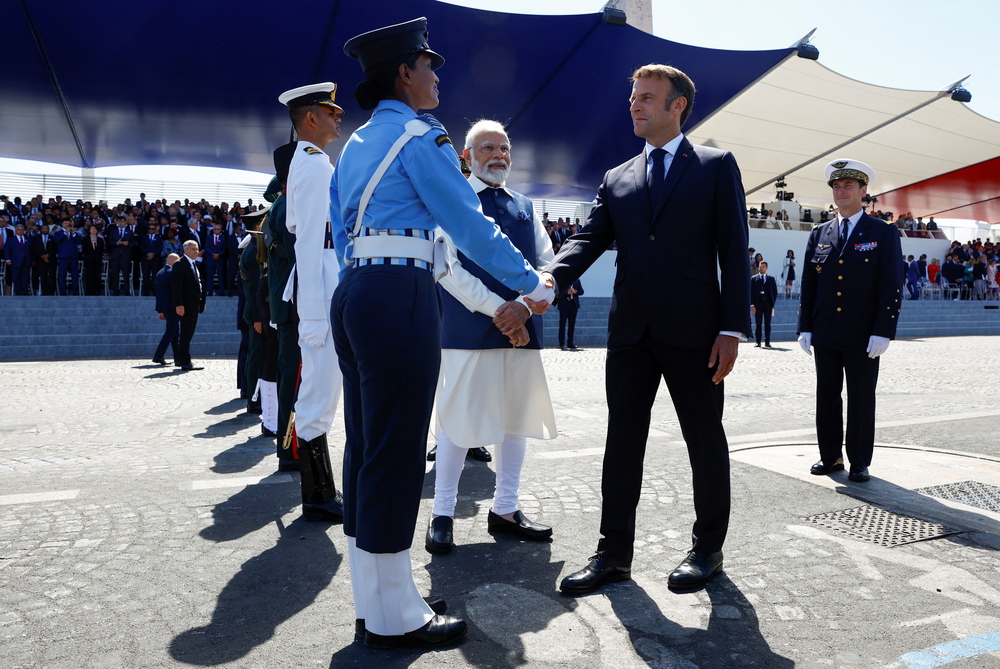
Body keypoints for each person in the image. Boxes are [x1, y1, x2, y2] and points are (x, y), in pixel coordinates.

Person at [333, 17, 552, 650]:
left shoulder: (361, 139)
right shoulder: (419, 136)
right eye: (429, 65)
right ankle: (397, 615)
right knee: (399, 452)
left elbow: (342, 225)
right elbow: (469, 223)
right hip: (401, 294)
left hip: (359, 289)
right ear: (404, 72)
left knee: (368, 446)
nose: (436, 75)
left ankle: (378, 594)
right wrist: (530, 282)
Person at [542, 64, 750, 596]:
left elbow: (734, 251)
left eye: (647, 98)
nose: (634, 106)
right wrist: (547, 279)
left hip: (697, 333)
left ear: (678, 105)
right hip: (631, 332)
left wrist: (732, 328)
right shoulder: (617, 177)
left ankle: (708, 548)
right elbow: (586, 240)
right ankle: (613, 554)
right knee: (622, 442)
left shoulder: (715, 165)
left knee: (704, 441)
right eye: (633, 97)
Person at [425, 119, 557, 556]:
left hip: (520, 328)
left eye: (503, 147)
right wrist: (498, 311)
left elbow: (546, 263)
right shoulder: (453, 200)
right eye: (486, 148)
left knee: (515, 420)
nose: (498, 155)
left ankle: (505, 508)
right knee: (458, 423)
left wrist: (523, 308)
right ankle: (442, 514)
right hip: (469, 329)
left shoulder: (525, 205)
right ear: (467, 156)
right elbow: (446, 268)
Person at [797, 159, 903, 483]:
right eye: (837, 186)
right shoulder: (820, 233)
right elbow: (809, 284)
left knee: (860, 397)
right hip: (826, 329)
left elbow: (891, 284)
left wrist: (883, 331)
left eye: (848, 186)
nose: (841, 191)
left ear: (863, 191)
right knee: (826, 396)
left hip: (863, 333)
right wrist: (805, 326)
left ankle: (859, 460)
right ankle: (830, 457)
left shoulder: (882, 232)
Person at [276, 82, 348, 522]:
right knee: (319, 391)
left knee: (321, 389)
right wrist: (319, 315)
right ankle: (318, 494)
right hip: (322, 286)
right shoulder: (315, 164)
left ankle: (319, 490)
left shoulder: (305, 163)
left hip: (319, 282)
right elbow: (314, 242)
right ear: (310, 119)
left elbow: (298, 225)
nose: (338, 118)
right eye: (330, 111)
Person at [171, 240, 207, 371]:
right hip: (185, 305)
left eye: (197, 249)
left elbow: (199, 285)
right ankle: (185, 361)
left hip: (194, 305)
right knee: (186, 333)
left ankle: (181, 359)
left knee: (188, 332)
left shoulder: (194, 264)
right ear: (185, 250)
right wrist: (179, 304)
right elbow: (177, 287)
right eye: (193, 249)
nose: (196, 251)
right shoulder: (180, 264)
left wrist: (202, 303)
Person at [153, 253, 181, 365]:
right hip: (172, 306)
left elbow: (159, 293)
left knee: (174, 333)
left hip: (165, 306)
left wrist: (160, 310)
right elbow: (176, 290)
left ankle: (177, 358)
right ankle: (158, 355)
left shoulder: (160, 272)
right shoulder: (172, 272)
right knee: (171, 332)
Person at [751, 260, 777, 348]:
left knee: (767, 323)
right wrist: (752, 305)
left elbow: (774, 292)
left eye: (763, 267)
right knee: (758, 324)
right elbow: (751, 292)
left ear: (766, 268)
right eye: (760, 267)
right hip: (758, 304)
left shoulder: (771, 279)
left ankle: (767, 341)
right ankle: (758, 342)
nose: (761, 268)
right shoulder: (754, 279)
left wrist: (772, 303)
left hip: (768, 304)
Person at [52, 218, 81, 295]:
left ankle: (75, 291)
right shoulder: (58, 232)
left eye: (69, 223)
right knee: (62, 275)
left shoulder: (74, 232)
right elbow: (57, 240)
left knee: (75, 274)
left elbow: (79, 241)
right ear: (62, 224)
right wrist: (65, 232)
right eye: (65, 223)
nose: (67, 225)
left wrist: (74, 233)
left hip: (73, 256)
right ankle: (63, 291)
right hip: (63, 256)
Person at [4, 223, 33, 295]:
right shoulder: (11, 239)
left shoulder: (28, 240)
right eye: (19, 230)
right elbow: (7, 250)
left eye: (22, 230)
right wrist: (8, 259)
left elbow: (31, 250)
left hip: (26, 261)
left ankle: (26, 291)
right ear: (16, 231)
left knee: (25, 277)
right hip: (15, 261)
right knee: (16, 277)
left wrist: (32, 260)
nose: (20, 231)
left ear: (24, 231)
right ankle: (17, 291)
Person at [30, 223, 56, 295]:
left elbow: (55, 248)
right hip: (40, 260)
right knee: (43, 276)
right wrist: (42, 256)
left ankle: (51, 291)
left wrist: (48, 255)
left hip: (51, 259)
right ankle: (44, 291)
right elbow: (34, 249)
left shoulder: (53, 238)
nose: (45, 230)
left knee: (52, 276)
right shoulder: (36, 238)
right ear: (41, 230)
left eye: (47, 228)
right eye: (43, 228)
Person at [557, 279, 584, 350]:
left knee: (572, 324)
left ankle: (570, 343)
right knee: (562, 324)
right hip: (564, 304)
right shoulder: (562, 280)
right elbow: (557, 291)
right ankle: (561, 343)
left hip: (573, 304)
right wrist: (566, 292)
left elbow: (582, 291)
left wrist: (575, 291)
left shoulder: (577, 280)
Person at [139, 222, 163, 296]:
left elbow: (160, 247)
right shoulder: (144, 238)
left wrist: (153, 254)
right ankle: (145, 291)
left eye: (153, 229)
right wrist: (148, 253)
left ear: (155, 229)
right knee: (146, 276)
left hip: (155, 259)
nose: (151, 230)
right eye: (150, 228)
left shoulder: (159, 238)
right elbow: (141, 247)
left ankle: (154, 291)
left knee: (155, 276)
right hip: (146, 259)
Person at [81, 225, 106, 295]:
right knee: (89, 276)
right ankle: (89, 291)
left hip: (97, 260)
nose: (94, 230)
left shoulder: (100, 240)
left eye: (95, 229)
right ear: (89, 230)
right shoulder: (85, 239)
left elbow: (101, 250)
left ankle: (97, 291)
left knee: (97, 275)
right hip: (89, 260)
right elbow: (84, 250)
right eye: (92, 229)